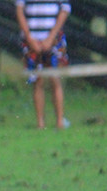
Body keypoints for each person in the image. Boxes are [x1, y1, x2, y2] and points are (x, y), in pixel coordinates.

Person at [16, 0, 70, 129]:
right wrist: (29, 38)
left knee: (55, 79)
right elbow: (19, 11)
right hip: (32, 40)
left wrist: (51, 37)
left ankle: (59, 122)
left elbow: (65, 10)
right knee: (37, 81)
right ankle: (40, 123)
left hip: (53, 40)